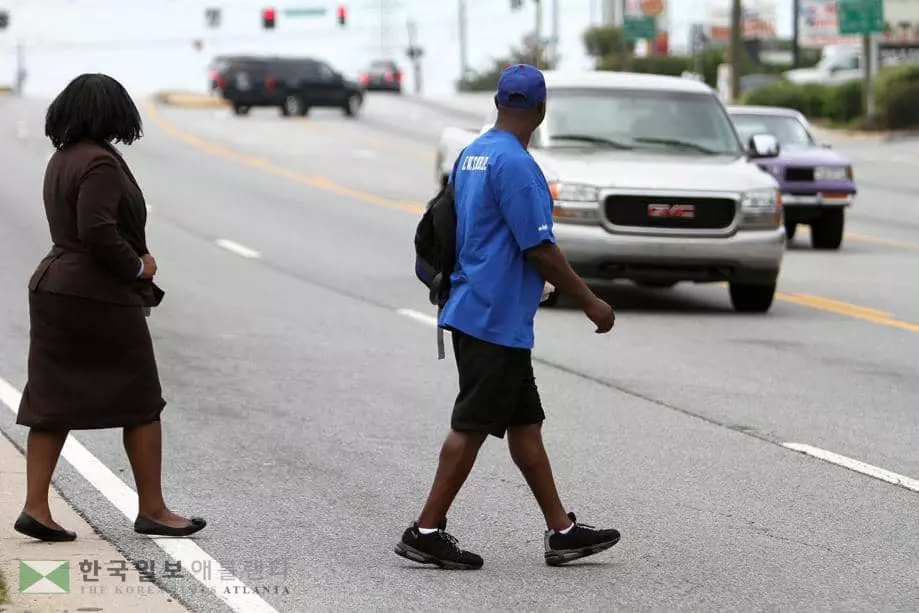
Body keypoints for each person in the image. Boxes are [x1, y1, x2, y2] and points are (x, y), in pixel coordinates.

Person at [395, 64, 619, 570]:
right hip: (492, 318)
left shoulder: (472, 155)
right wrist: (590, 301)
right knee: (471, 426)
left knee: (525, 426)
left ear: (498, 104)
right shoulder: (516, 165)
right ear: (540, 111)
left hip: (484, 309)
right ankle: (425, 530)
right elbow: (538, 246)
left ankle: (562, 532)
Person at [13, 73, 205, 542]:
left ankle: (35, 506)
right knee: (141, 399)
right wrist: (138, 267)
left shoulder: (63, 157)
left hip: (56, 285)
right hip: (93, 292)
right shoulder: (99, 162)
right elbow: (97, 229)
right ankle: (154, 509)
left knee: (50, 400)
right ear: (110, 113)